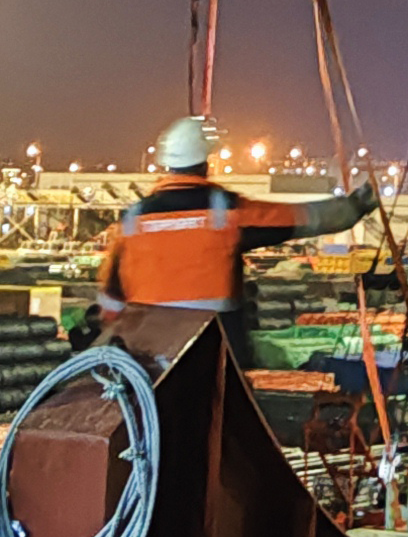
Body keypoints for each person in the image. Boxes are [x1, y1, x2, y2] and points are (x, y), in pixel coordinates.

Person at [94, 117, 376, 365]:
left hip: (147, 357)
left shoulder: (134, 218)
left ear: (167, 163)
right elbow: (296, 219)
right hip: (213, 353)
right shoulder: (223, 211)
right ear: (205, 163)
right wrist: (354, 207)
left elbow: (112, 297)